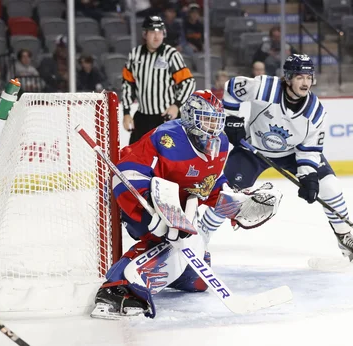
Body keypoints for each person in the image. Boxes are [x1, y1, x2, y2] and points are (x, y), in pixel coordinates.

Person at [91, 90, 282, 319]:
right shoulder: (165, 137)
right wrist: (154, 208)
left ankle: (177, 271)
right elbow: (127, 173)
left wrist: (237, 205)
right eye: (207, 118)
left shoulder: (220, 143)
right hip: (139, 201)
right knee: (165, 240)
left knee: (197, 278)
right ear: (191, 116)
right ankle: (117, 289)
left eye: (216, 120)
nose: (213, 126)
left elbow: (208, 184)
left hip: (180, 209)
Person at [221, 54, 353, 259]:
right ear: (288, 78)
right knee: (224, 194)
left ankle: (344, 236)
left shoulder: (315, 112)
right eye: (300, 77)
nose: (306, 83)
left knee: (329, 185)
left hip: (292, 153)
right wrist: (232, 118)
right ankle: (200, 235)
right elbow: (231, 87)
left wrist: (308, 177)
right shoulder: (265, 87)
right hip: (253, 149)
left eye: (309, 77)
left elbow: (309, 149)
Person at [122, 16, 195, 145]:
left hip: (166, 117)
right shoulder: (135, 54)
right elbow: (128, 84)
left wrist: (176, 105)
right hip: (142, 117)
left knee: (168, 157)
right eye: (152, 32)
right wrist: (126, 112)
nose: (157, 36)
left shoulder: (171, 54)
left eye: (160, 32)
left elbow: (188, 82)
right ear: (145, 34)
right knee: (135, 156)